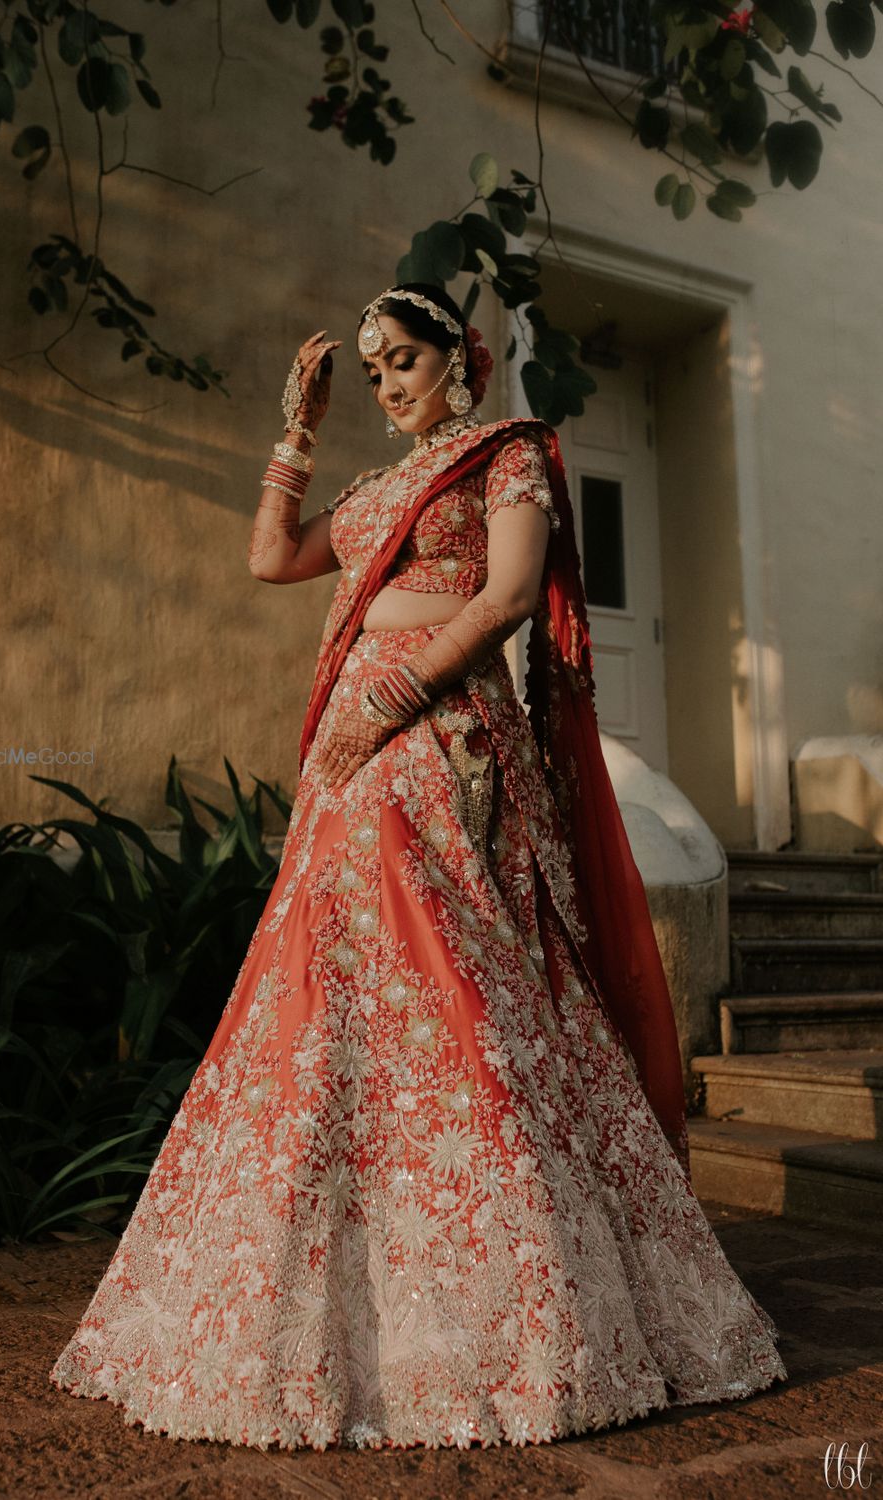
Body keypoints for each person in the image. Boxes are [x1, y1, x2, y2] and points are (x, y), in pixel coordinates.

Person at [49, 283, 788, 1451]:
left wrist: (393, 692)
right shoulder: (369, 486)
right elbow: (271, 562)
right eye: (374, 367)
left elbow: (502, 597)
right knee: (337, 979)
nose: (387, 381)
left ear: (461, 357)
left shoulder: (508, 457)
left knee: (447, 971)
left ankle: (519, 1296)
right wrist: (295, 433)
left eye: (403, 359)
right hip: (349, 754)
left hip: (436, 736)